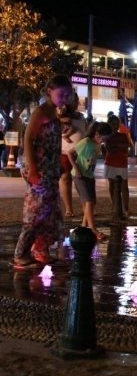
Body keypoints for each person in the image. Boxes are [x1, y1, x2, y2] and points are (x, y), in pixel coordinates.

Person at [13, 76, 73, 269]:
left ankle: (40, 250)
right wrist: (32, 170)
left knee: (51, 212)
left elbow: (53, 142)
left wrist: (59, 163)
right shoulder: (40, 112)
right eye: (60, 94)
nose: (64, 98)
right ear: (49, 91)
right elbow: (28, 139)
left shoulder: (54, 112)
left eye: (67, 94)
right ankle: (20, 254)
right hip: (38, 168)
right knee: (35, 211)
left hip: (50, 169)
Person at [69, 121, 113, 241]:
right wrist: (76, 169)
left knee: (90, 202)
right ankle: (93, 229)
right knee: (88, 201)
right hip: (80, 176)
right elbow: (70, 153)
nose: (104, 141)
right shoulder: (86, 142)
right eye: (104, 138)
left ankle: (84, 227)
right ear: (97, 134)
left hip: (89, 175)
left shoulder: (97, 144)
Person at [58, 92, 87, 217]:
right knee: (65, 178)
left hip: (80, 152)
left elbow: (85, 131)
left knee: (81, 179)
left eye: (76, 100)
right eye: (73, 100)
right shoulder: (61, 116)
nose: (75, 103)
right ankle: (69, 209)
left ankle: (85, 206)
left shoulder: (81, 117)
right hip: (64, 151)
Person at [104, 115, 133, 216]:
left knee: (124, 185)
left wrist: (115, 147)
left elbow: (126, 147)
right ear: (109, 124)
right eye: (113, 123)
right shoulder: (106, 136)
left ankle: (126, 207)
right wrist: (118, 147)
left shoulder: (123, 135)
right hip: (110, 162)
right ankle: (114, 204)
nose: (115, 125)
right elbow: (108, 148)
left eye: (117, 123)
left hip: (121, 162)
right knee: (111, 184)